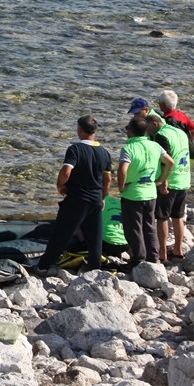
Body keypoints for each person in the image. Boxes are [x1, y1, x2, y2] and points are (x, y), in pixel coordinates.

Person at [34, 116, 112, 274]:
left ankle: (43, 266)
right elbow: (108, 179)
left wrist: (60, 185)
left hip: (77, 199)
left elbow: (66, 171)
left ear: (81, 130)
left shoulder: (75, 149)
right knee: (94, 237)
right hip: (96, 199)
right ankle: (95, 268)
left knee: (61, 233)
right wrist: (103, 197)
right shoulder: (105, 153)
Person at [117, 115, 173, 267]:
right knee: (149, 226)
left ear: (131, 132)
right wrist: (161, 179)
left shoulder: (128, 148)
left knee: (133, 228)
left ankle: (138, 258)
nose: (126, 131)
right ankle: (153, 257)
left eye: (127, 128)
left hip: (133, 193)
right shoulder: (155, 146)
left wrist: (121, 186)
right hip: (150, 192)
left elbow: (122, 170)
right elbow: (170, 162)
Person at [148, 112, 191, 260]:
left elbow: (166, 160)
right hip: (184, 178)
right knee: (178, 216)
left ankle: (162, 253)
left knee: (162, 217)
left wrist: (162, 180)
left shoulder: (161, 135)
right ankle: (178, 250)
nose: (148, 133)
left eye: (148, 129)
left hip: (170, 181)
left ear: (155, 124)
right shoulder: (180, 131)